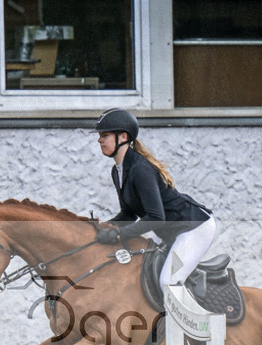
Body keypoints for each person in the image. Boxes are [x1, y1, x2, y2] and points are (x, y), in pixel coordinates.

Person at [92, 108, 217, 288]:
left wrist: (118, 234)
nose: (99, 139)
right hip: (169, 231)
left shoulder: (141, 169)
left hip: (193, 228)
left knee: (168, 282)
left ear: (124, 137)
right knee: (142, 272)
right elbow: (129, 213)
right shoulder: (117, 171)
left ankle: (202, 317)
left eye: (105, 135)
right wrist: (104, 227)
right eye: (100, 135)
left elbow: (156, 218)